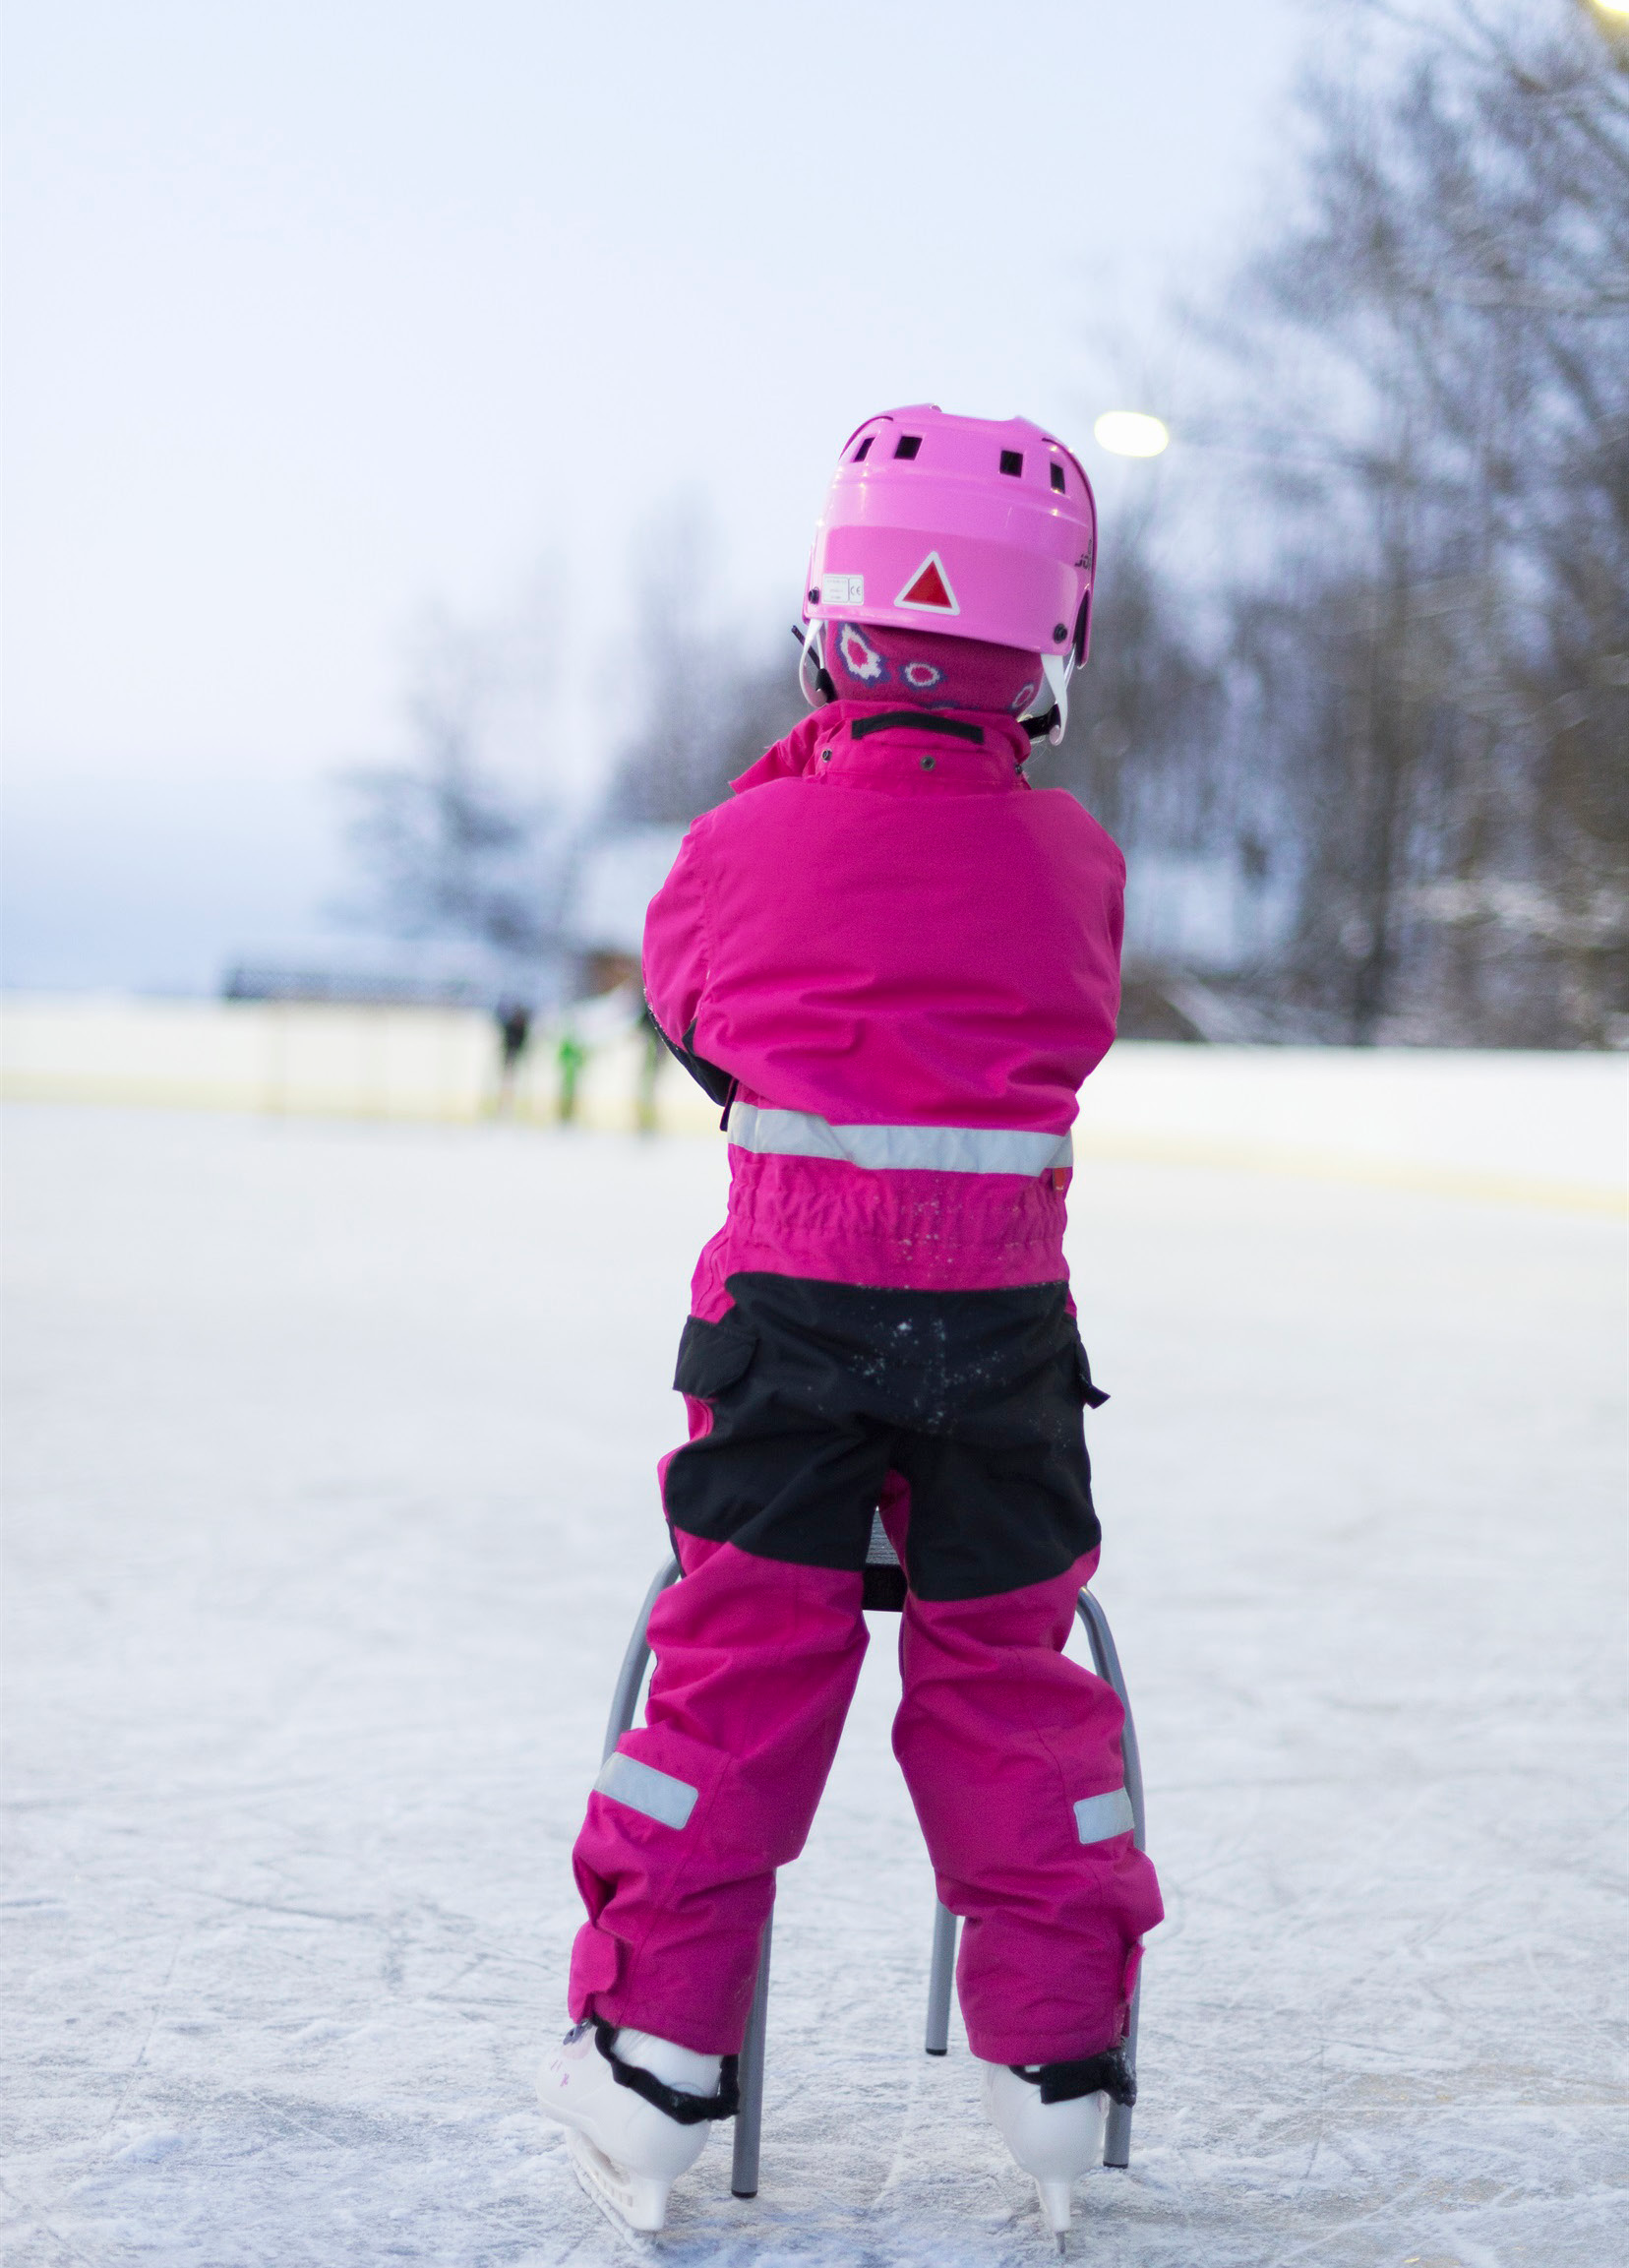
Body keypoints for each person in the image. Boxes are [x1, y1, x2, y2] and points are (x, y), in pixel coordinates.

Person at [538, 405, 1163, 2243]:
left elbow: (695, 1012)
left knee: (739, 1662)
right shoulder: (1080, 865)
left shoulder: (748, 838)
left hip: (791, 1336)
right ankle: (1060, 2065)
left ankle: (656, 2058)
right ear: (1054, 644)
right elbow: (1070, 1024)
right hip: (1002, 1345)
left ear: (827, 615)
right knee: (1005, 1674)